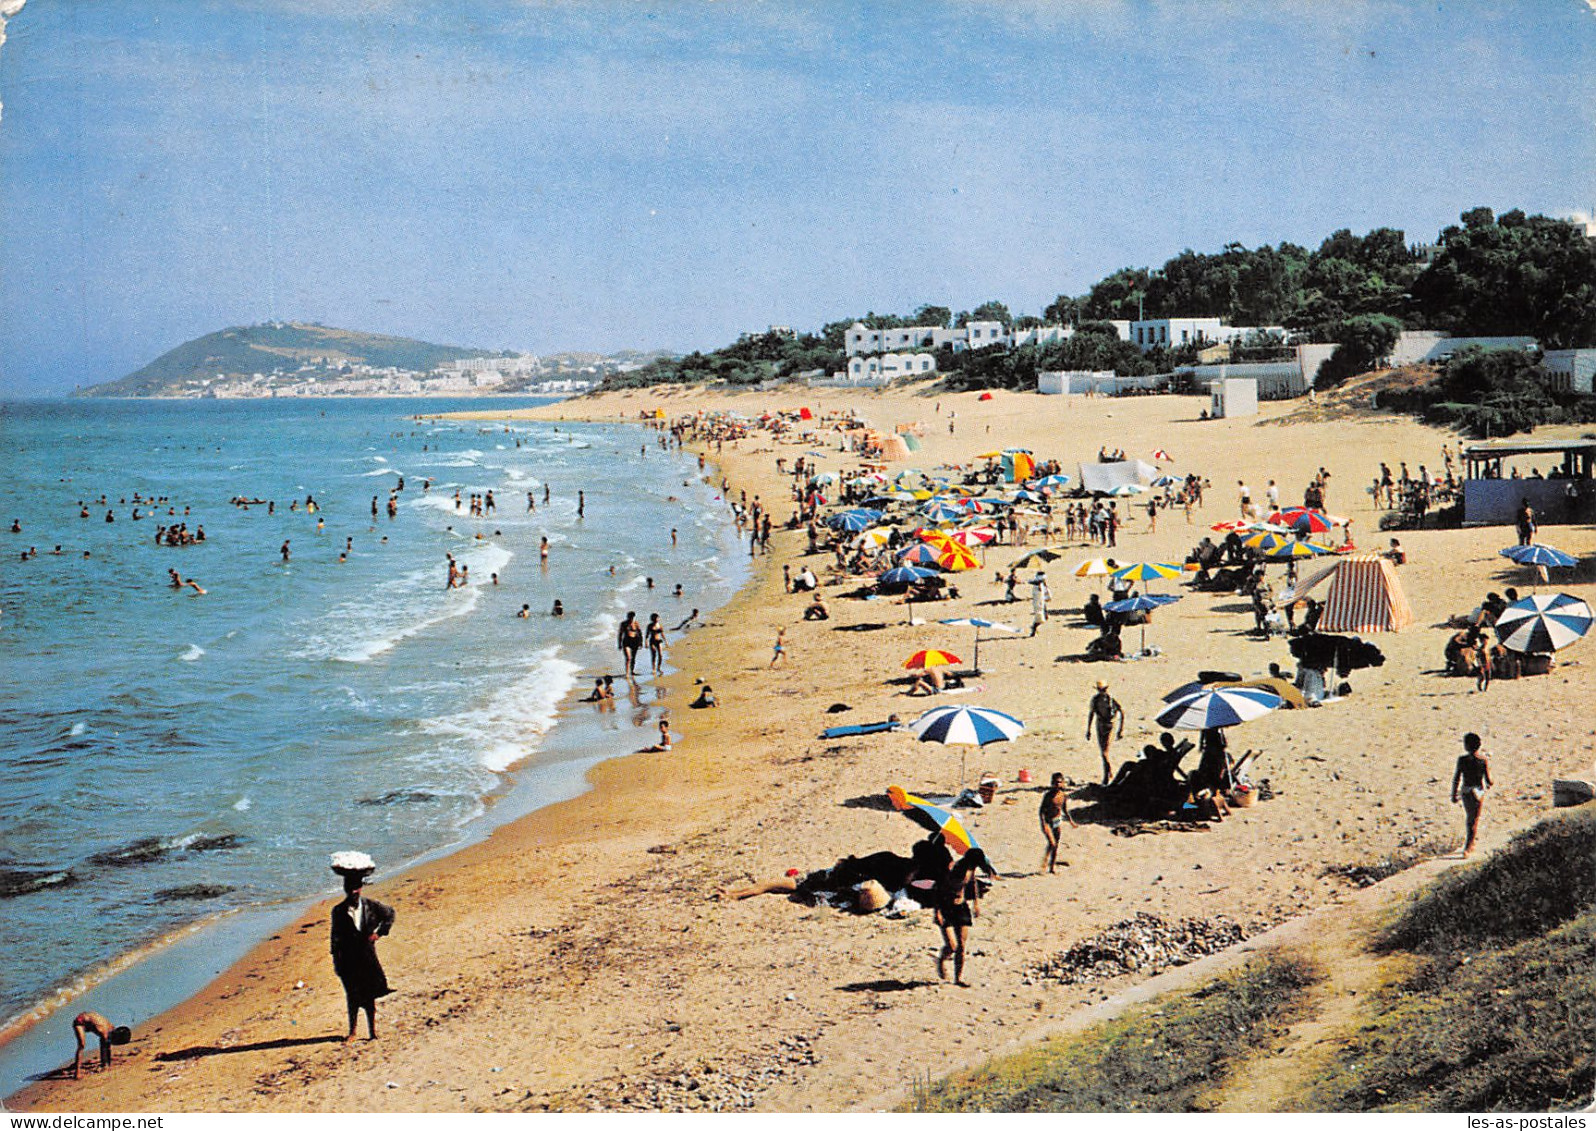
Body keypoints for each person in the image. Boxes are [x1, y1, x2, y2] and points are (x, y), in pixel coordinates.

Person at [330, 869, 395, 1043]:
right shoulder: (338, 911)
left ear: (360, 888)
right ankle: (353, 1032)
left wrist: (379, 933)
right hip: (348, 959)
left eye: (356, 888)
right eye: (350, 888)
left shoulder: (371, 906)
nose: (353, 892)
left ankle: (372, 1032)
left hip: (367, 957)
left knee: (369, 996)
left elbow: (390, 914)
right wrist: (336, 962)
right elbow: (335, 939)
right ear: (345, 888)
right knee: (352, 995)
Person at [934, 848, 988, 987]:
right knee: (952, 946)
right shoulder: (954, 869)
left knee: (962, 946)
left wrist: (976, 902)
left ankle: (958, 978)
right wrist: (938, 911)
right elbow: (939, 889)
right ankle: (941, 960)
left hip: (961, 907)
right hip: (946, 907)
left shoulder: (971, 868)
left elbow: (973, 882)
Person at [1451, 732, 1493, 857]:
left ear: (1466, 746)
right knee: (1475, 818)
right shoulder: (1482, 760)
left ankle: (1469, 844)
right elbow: (1488, 780)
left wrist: (1453, 793)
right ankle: (1469, 845)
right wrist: (1491, 783)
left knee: (1470, 817)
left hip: (1466, 790)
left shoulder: (1462, 760)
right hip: (1478, 791)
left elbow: (1456, 778)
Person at [1085, 681, 1125, 785]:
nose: (1102, 692)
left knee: (1104, 752)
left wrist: (1121, 729)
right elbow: (1091, 714)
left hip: (1109, 726)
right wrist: (1088, 730)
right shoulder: (1095, 700)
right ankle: (1108, 771)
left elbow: (1122, 711)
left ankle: (1106, 775)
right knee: (1103, 751)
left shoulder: (1111, 699)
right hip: (1100, 725)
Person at [71, 1013, 131, 1079]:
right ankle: (77, 1072)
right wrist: (105, 1065)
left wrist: (107, 1064)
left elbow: (107, 1046)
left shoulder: (111, 1028)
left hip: (89, 1020)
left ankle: (105, 1063)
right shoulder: (103, 1032)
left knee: (106, 1043)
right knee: (81, 1045)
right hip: (80, 1021)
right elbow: (104, 1047)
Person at [1039, 773, 1076, 874]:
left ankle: (1052, 867)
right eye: (1055, 783)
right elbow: (1041, 810)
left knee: (1056, 845)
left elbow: (1064, 809)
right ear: (1051, 783)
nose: (1057, 785)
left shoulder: (1063, 796)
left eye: (1059, 782)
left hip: (1056, 820)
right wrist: (1043, 823)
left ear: (1063, 783)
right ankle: (1045, 861)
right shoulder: (1048, 796)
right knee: (1052, 843)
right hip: (1047, 820)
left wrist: (1071, 821)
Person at [1029, 571, 1051, 636]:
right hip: (1038, 603)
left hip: (1042, 602)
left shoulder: (1041, 584)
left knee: (1045, 617)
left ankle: (1034, 628)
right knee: (1040, 618)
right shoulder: (1037, 585)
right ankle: (1034, 628)